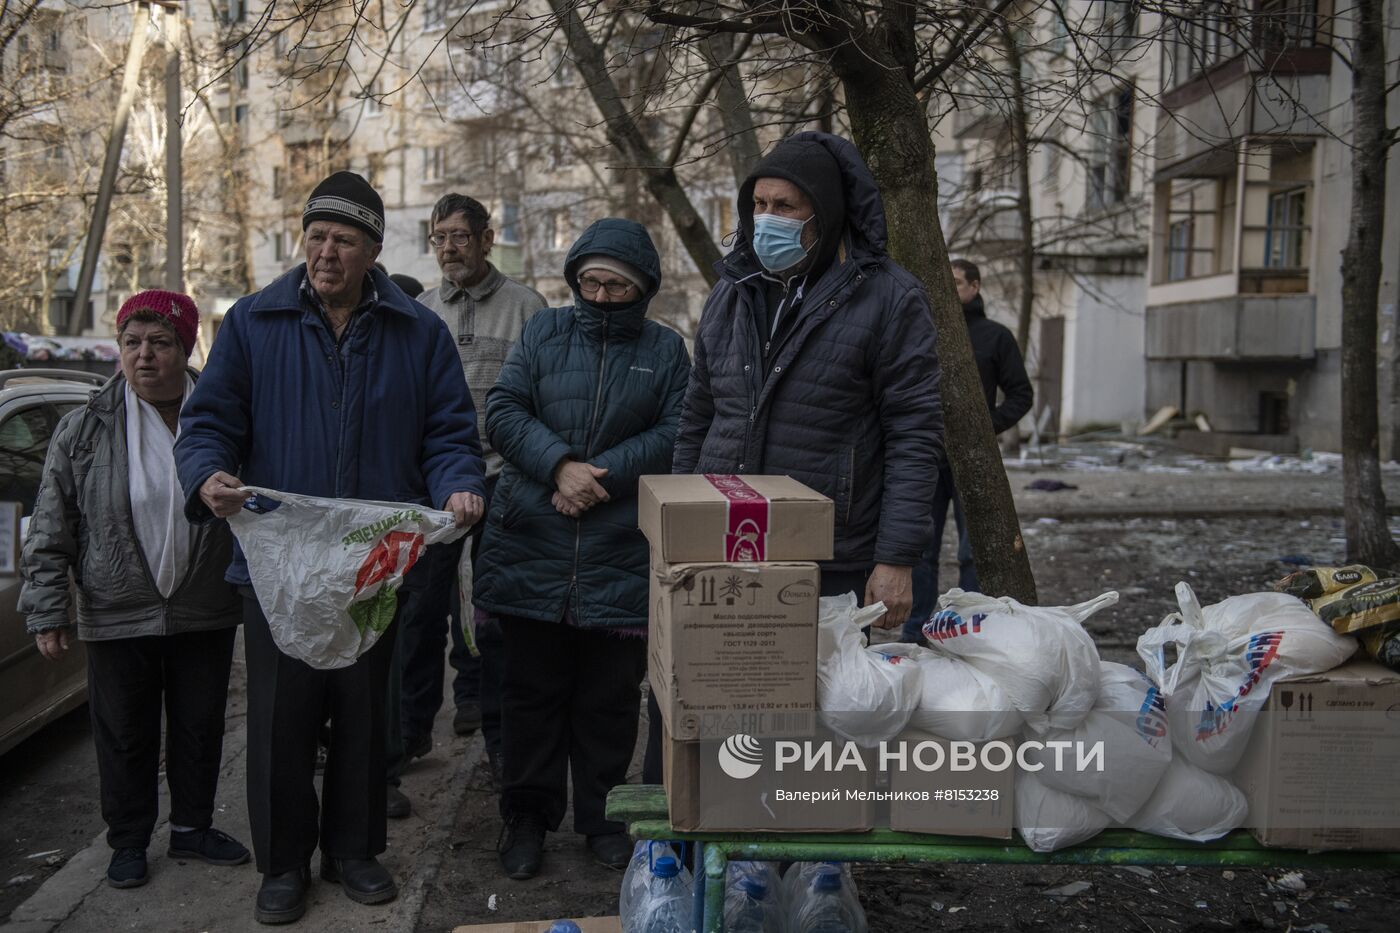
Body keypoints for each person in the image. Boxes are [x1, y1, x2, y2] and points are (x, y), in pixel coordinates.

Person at [174, 171, 486, 925]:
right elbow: (210, 421)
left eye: (343, 240)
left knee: (363, 714)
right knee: (283, 718)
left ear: (373, 249)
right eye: (315, 236)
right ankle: (283, 863)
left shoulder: (418, 331)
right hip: (278, 567)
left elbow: (447, 432)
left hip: (372, 568)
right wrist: (207, 473)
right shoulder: (254, 322)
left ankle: (354, 851)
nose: (325, 252)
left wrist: (458, 485)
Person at [473, 218, 690, 881]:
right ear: (575, 279)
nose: (600, 296)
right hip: (533, 539)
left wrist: (598, 479)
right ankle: (528, 819)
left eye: (616, 285)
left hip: (620, 549)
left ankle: (602, 818)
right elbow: (505, 411)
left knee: (608, 700)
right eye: (591, 281)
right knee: (530, 696)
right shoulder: (543, 332)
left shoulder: (666, 351)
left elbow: (679, 430)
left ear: (642, 289)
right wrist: (560, 466)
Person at [20, 290, 249, 890]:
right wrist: (47, 608)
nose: (143, 356)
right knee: (124, 732)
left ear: (185, 347)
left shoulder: (224, 416)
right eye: (131, 343)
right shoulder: (84, 428)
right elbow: (52, 522)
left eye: (159, 342)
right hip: (115, 607)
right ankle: (128, 841)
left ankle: (193, 829)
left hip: (204, 604)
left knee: (200, 726)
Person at [674, 131, 943, 613]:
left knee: (822, 690)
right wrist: (674, 523)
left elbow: (914, 434)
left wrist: (896, 558)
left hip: (829, 557)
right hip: (722, 543)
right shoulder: (733, 290)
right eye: (758, 204)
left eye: (784, 206)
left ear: (825, 212)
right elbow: (698, 414)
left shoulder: (890, 299)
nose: (766, 220)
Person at [403, 194, 546, 788]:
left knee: (491, 609)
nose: (448, 248)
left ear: (487, 240)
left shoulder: (526, 309)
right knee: (419, 608)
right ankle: (409, 735)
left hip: (506, 478)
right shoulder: (421, 310)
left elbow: (540, 395)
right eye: (439, 238)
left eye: (460, 237)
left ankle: (487, 723)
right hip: (435, 481)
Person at [900, 259, 1033, 643]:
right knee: (920, 548)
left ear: (975, 287)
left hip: (973, 461)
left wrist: (982, 429)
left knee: (972, 550)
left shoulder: (995, 336)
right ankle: (917, 630)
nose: (950, 289)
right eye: (946, 282)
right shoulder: (921, 330)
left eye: (957, 282)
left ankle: (969, 629)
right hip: (925, 453)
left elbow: (1021, 394)